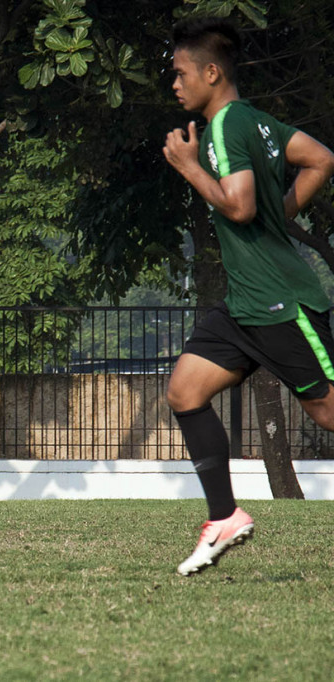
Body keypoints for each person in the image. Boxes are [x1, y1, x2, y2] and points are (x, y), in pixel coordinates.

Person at [163, 17, 334, 575]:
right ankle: (225, 516)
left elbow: (237, 206)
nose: (175, 84)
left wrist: (190, 168)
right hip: (246, 304)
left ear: (212, 73)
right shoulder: (259, 123)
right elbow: (321, 158)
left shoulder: (222, 129)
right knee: (186, 390)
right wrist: (281, 217)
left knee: (328, 411)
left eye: (181, 73)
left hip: (281, 301)